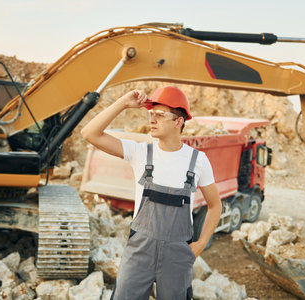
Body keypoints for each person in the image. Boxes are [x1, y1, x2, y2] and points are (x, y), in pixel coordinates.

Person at [81, 86, 222, 300]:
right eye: (151, 114)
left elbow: (215, 206)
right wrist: (123, 103)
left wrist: (201, 244)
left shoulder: (198, 161)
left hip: (177, 257)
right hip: (139, 253)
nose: (152, 120)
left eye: (159, 115)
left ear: (179, 121)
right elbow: (89, 133)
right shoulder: (140, 152)